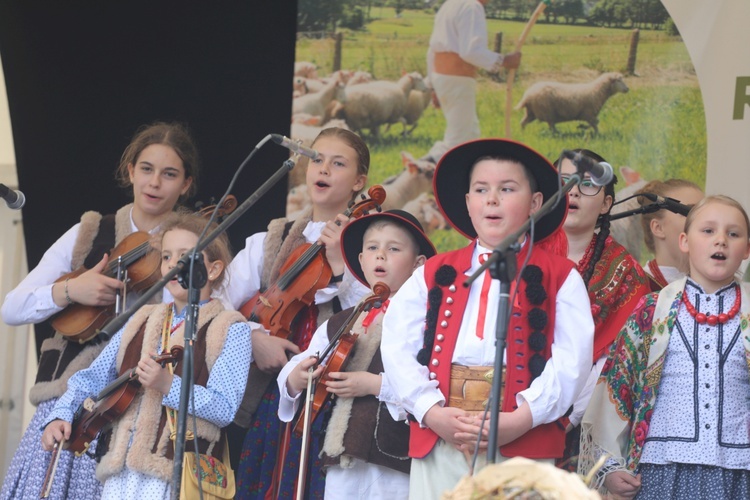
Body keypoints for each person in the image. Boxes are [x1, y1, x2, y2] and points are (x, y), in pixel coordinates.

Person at [381, 138, 595, 499]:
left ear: (536, 204)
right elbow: (397, 344)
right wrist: (430, 411)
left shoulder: (561, 276)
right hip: (442, 437)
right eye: (481, 190)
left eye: (506, 189)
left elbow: (572, 362)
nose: (492, 199)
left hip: (521, 445)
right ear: (468, 204)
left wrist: (521, 419)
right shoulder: (434, 272)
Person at [0, 121, 200, 500]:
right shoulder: (92, 231)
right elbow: (11, 308)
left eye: (169, 174)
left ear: (185, 184)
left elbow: (219, 312)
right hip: (65, 404)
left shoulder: (194, 245)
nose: (155, 182)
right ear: (130, 172)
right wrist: (72, 289)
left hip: (138, 412)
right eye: (146, 169)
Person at [40, 212, 251, 499]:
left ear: (212, 270)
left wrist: (168, 385)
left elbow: (225, 408)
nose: (173, 265)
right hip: (121, 469)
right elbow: (93, 376)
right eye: (166, 257)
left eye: (185, 256)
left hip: (179, 473)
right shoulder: (141, 317)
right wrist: (61, 414)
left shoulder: (231, 328)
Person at [230, 127, 372, 499]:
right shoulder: (271, 240)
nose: (323, 169)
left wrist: (341, 262)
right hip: (275, 398)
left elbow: (378, 309)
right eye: (317, 159)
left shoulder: (373, 243)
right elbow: (215, 304)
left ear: (360, 181)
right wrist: (254, 337)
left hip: (338, 398)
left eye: (338, 163)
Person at [580, 195, 750, 499]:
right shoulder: (652, 310)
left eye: (733, 234)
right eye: (708, 231)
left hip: (740, 470)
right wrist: (609, 465)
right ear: (684, 241)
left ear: (747, 248)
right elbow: (617, 385)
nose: (721, 241)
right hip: (662, 469)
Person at [277, 209, 436, 499]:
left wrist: (375, 385)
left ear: (418, 264)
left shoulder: (426, 323)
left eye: (394, 249)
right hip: (341, 455)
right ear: (361, 260)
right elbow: (303, 362)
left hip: (395, 458)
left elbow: (434, 385)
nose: (380, 256)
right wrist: (297, 377)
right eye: (372, 248)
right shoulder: (342, 320)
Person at [554, 149, 650, 471]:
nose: (574, 191)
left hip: (580, 429)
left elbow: (614, 365)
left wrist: (564, 417)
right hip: (510, 412)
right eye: (564, 182)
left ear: (607, 203)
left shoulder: (626, 273)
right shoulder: (519, 258)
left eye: (588, 184)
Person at [421, 0, 522, 165]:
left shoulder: (450, 5)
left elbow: (432, 50)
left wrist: (433, 85)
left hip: (444, 78)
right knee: (459, 139)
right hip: (457, 79)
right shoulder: (472, 7)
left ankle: (456, 177)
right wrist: (504, 60)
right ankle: (414, 175)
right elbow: (470, 51)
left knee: (469, 133)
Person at [635, 179, 704, 291]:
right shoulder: (636, 288)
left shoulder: (718, 285)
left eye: (705, 213)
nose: (704, 221)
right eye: (689, 212)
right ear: (658, 228)